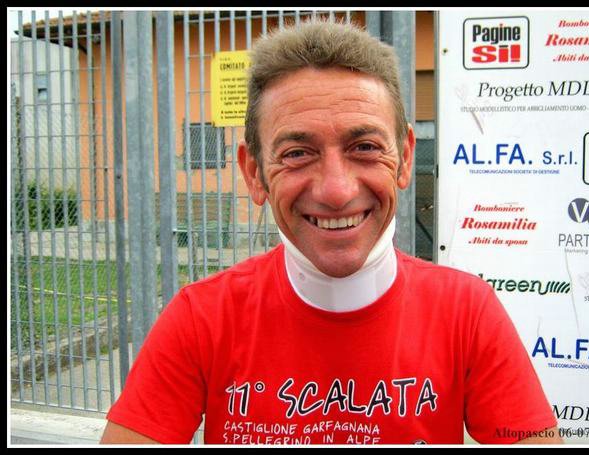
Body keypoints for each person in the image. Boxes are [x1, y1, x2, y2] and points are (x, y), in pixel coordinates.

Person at [100, 20, 562, 445]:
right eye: (297, 153)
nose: (337, 191)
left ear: (404, 157)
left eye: (365, 147)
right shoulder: (201, 318)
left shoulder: (467, 312)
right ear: (254, 173)